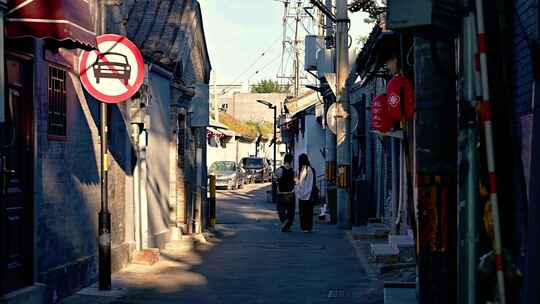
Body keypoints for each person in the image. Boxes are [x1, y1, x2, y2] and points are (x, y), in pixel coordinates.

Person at [274, 154, 295, 232]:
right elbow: (296, 181)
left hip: (281, 193)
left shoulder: (280, 169)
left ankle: (284, 221)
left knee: (280, 209)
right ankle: (288, 227)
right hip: (291, 193)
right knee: (290, 211)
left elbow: (275, 179)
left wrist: (278, 185)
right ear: (291, 161)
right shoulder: (293, 171)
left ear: (284, 160)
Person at [295, 153, 315, 232]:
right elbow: (312, 182)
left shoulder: (302, 170)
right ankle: (309, 227)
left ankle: (304, 227)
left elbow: (299, 182)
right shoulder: (310, 169)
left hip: (302, 194)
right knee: (309, 212)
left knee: (302, 212)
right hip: (309, 194)